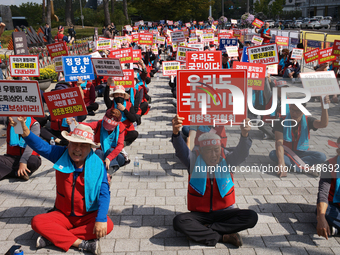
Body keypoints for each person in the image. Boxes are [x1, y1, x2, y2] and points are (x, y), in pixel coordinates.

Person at [15, 118, 113, 254]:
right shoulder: (61, 154)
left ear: (90, 147)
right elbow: (42, 147)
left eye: (83, 145)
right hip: (63, 214)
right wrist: (26, 131)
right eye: (74, 144)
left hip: (88, 214)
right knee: (37, 221)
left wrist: (101, 219)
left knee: (107, 225)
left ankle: (53, 237)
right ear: (68, 144)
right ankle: (81, 243)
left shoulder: (98, 164)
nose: (77, 149)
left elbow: (104, 193)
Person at [171, 115, 258, 247]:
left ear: (220, 150)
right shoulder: (193, 161)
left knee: (251, 217)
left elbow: (242, 152)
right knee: (179, 221)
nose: (213, 155)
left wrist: (245, 134)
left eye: (216, 150)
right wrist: (176, 133)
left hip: (225, 212)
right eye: (208, 151)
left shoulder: (228, 159)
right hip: (200, 214)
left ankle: (204, 230)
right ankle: (223, 236)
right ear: (200, 151)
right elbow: (181, 151)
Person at [269, 97, 330, 177]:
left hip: (302, 152)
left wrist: (324, 107)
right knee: (273, 154)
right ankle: (306, 168)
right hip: (286, 153)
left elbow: (323, 124)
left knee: (322, 156)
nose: (294, 113)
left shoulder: (308, 120)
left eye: (297, 111)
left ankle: (294, 166)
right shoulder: (281, 121)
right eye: (292, 110)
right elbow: (279, 143)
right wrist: (281, 163)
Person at [0, 117, 41, 181]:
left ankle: (6, 171)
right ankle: (16, 173)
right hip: (12, 158)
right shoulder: (9, 120)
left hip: (28, 158)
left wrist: (23, 162)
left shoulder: (34, 124)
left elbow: (31, 145)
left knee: (34, 161)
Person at [316, 137, 340, 239]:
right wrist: (321, 218)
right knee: (322, 212)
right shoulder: (329, 165)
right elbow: (323, 193)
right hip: (334, 206)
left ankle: (336, 229)